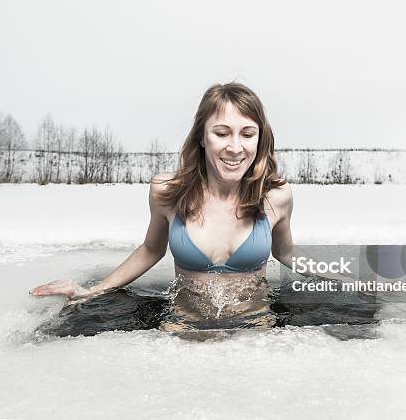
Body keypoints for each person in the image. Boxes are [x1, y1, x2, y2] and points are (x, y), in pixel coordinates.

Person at [30, 82, 294, 329]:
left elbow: (285, 251)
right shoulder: (168, 191)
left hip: (255, 328)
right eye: (222, 133)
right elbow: (150, 249)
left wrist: (334, 271)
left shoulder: (276, 196)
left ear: (260, 140)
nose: (235, 147)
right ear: (202, 137)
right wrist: (93, 292)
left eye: (247, 134)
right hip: (182, 326)